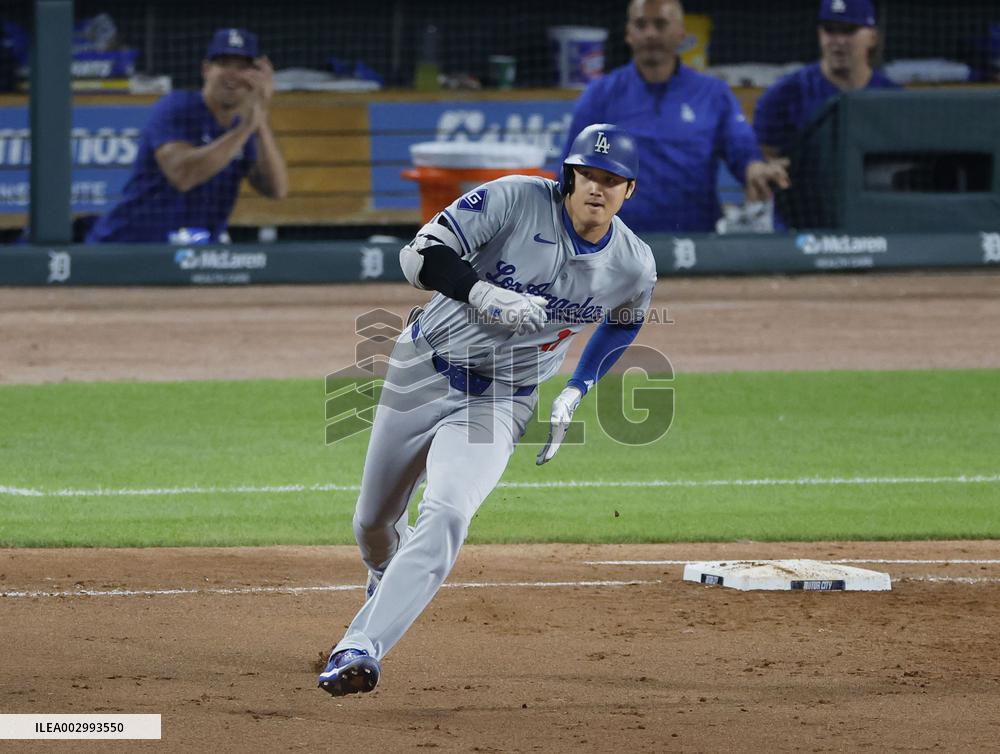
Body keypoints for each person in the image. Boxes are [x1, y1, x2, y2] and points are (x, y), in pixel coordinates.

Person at [318, 123, 657, 697]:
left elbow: (625, 322)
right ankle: (384, 575)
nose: (596, 188)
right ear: (568, 176)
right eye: (586, 176)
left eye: (611, 180)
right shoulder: (513, 200)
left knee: (448, 512)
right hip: (422, 369)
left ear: (629, 191)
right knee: (374, 523)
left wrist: (577, 389)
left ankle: (360, 647)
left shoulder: (633, 264)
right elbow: (417, 255)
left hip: (502, 400)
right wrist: (478, 291)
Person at [561, 0, 788, 234]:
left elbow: (741, 149)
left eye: (660, 24)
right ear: (628, 34)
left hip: (697, 243)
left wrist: (754, 169)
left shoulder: (713, 93)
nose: (650, 33)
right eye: (641, 25)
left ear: (681, 33)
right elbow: (570, 173)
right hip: (618, 246)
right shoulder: (599, 96)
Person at [86, 28, 288, 244]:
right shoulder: (178, 107)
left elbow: (276, 189)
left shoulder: (243, 128)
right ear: (206, 70)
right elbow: (183, 176)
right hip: (129, 246)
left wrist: (260, 116)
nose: (232, 74)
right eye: (223, 64)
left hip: (193, 257)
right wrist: (247, 127)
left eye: (242, 67)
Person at [753, 0, 900, 161]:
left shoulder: (893, 97)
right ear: (819, 33)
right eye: (830, 30)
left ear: (873, 37)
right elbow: (765, 159)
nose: (838, 41)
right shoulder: (784, 95)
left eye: (848, 30)